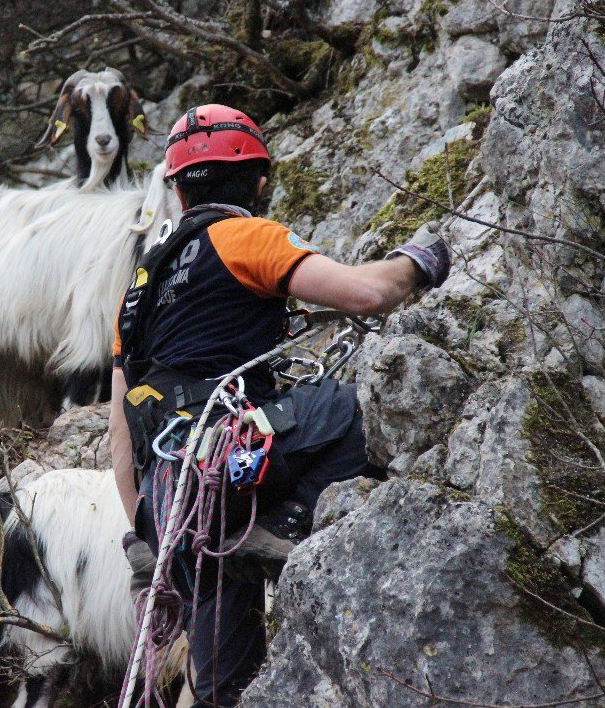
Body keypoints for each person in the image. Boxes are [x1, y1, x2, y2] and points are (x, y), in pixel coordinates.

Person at [109, 104, 450, 707]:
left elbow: (121, 429)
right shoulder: (246, 237)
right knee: (351, 410)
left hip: (173, 508)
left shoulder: (139, 286)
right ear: (259, 183)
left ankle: (244, 553)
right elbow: (370, 293)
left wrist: (144, 528)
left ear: (179, 188)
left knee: (222, 688)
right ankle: (280, 523)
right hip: (228, 464)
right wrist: (421, 260)